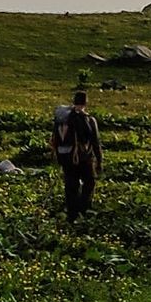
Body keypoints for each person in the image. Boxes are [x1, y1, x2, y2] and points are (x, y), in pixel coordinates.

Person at [51, 82, 103, 220]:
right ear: (86, 103)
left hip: (65, 156)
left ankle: (71, 212)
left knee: (70, 183)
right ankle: (83, 209)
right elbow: (95, 142)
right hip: (83, 157)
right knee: (89, 182)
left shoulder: (62, 119)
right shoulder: (88, 119)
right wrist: (99, 161)